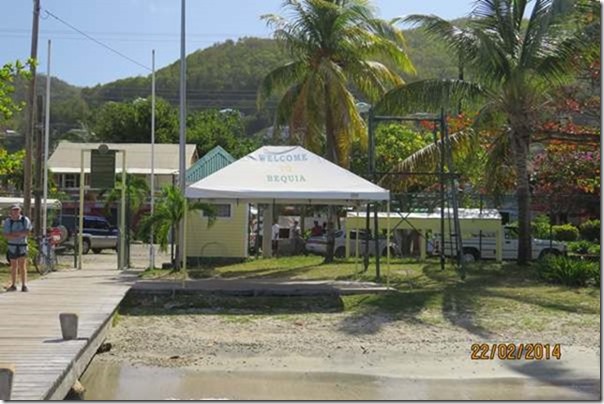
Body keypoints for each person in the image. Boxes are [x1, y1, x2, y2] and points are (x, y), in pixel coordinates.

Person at [3, 204, 32, 292]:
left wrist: (14, 234)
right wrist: (19, 234)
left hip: (22, 246)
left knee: (22, 266)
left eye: (17, 210)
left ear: (20, 210)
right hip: (12, 246)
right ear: (11, 211)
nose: (15, 211)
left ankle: (24, 285)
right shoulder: (8, 221)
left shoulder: (25, 219)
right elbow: (6, 235)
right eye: (14, 210)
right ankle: (13, 285)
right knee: (13, 266)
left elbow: (27, 232)